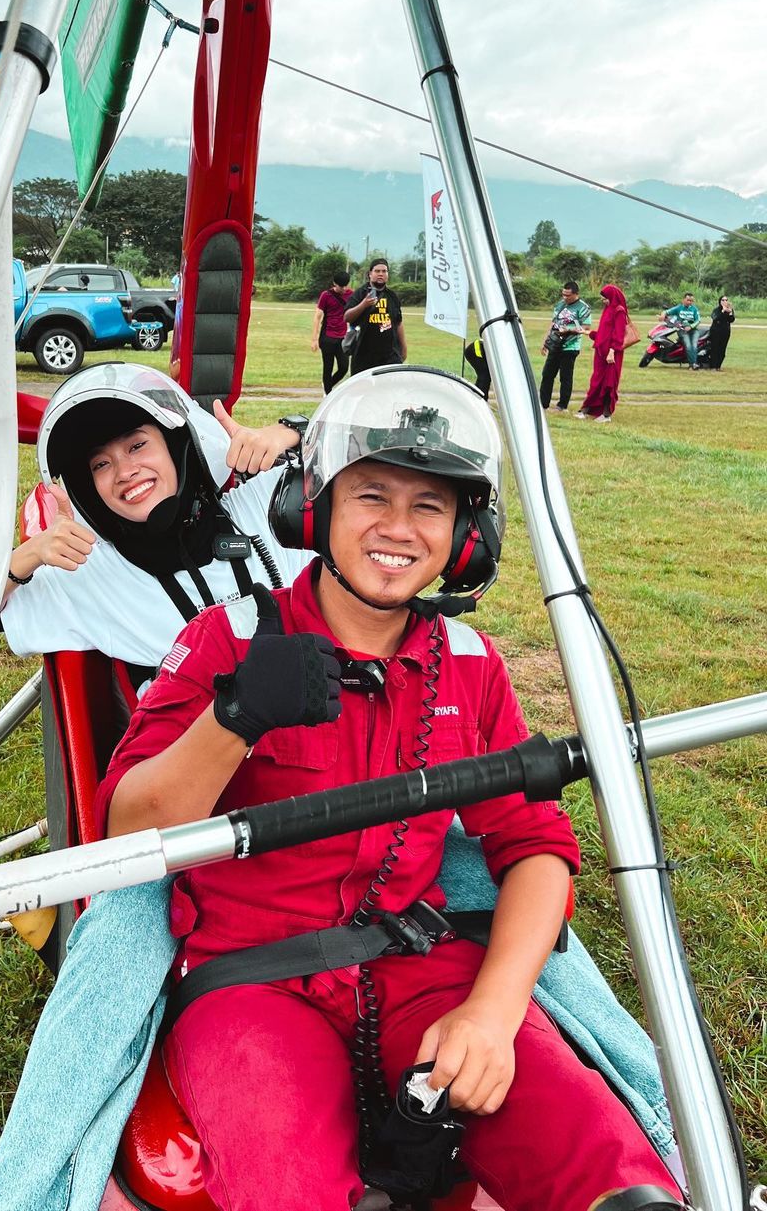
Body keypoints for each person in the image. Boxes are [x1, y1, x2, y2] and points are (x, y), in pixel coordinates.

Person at [98, 367, 682, 1211]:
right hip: (249, 986)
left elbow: (538, 849)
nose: (398, 529)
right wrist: (236, 717)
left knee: (618, 1178)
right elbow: (128, 831)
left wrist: (491, 1010)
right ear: (316, 507)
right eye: (371, 495)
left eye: (431, 507)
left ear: (465, 537)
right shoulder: (226, 638)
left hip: (429, 968)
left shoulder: (474, 666)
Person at [0, 363, 311, 671]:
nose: (125, 471)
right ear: (89, 492)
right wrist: (29, 555)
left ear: (177, 449)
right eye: (101, 464)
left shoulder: (265, 506)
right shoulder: (92, 576)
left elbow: (363, 451)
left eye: (137, 445)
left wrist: (293, 433)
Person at [576, 284, 630, 423]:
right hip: (601, 352)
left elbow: (618, 334)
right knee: (596, 381)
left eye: (605, 299)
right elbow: (604, 332)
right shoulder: (607, 309)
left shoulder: (619, 311)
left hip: (612, 354)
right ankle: (587, 409)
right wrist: (589, 333)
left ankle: (606, 414)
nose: (603, 301)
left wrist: (612, 351)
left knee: (609, 382)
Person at [343, 257, 405, 375]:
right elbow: (347, 317)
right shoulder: (360, 293)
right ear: (370, 274)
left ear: (388, 274)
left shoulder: (392, 296)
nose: (380, 274)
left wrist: (403, 348)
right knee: (364, 391)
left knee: (389, 390)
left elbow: (398, 322)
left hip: (389, 355)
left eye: (384, 271)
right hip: (364, 355)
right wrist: (363, 304)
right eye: (377, 271)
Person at [539, 280, 591, 412]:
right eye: (563, 294)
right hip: (555, 345)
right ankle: (543, 404)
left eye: (568, 295)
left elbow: (586, 327)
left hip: (570, 347)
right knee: (547, 374)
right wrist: (546, 341)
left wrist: (568, 329)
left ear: (576, 294)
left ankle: (562, 406)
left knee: (565, 377)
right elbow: (553, 324)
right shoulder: (560, 305)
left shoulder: (583, 307)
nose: (565, 297)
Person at [311, 269, 352, 394]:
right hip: (327, 337)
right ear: (335, 283)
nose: (344, 288)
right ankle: (327, 394)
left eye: (346, 285)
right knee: (327, 367)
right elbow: (318, 316)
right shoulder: (326, 295)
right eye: (341, 286)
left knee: (344, 367)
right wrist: (314, 339)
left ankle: (328, 385)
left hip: (343, 337)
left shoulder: (351, 294)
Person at [659, 292, 702, 370]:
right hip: (682, 331)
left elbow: (698, 320)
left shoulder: (694, 309)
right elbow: (666, 312)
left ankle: (693, 364)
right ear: (683, 300)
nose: (690, 302)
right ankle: (692, 364)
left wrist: (691, 326)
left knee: (694, 346)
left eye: (691, 301)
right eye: (688, 300)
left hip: (693, 330)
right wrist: (662, 315)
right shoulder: (678, 308)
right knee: (688, 346)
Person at [707, 294, 735, 371]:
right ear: (720, 301)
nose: (725, 302)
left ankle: (718, 366)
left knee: (722, 350)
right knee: (715, 349)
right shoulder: (716, 310)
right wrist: (723, 311)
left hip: (725, 332)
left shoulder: (729, 310)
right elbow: (715, 318)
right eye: (723, 300)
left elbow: (731, 320)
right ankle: (713, 366)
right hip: (716, 331)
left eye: (726, 300)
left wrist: (730, 313)